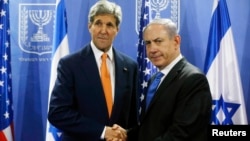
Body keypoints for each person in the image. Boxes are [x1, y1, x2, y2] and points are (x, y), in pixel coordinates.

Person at [48, 1, 138, 141]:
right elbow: (57, 113)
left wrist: (125, 134)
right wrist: (102, 131)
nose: (103, 30)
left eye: (109, 25)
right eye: (98, 23)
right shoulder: (70, 65)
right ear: (89, 26)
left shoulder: (130, 66)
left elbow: (133, 117)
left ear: (117, 30)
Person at [127, 18, 212, 141]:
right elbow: (151, 127)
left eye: (158, 41)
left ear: (176, 41)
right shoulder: (154, 80)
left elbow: (182, 134)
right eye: (148, 43)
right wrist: (126, 134)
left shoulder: (193, 80)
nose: (152, 49)